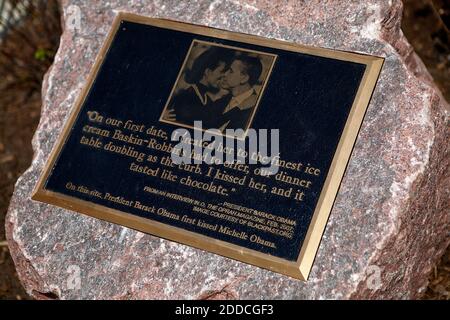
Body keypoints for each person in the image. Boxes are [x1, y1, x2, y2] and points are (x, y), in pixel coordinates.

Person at [163, 46, 231, 128]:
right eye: (222, 71)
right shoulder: (187, 95)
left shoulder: (206, 99)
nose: (224, 76)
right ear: (208, 72)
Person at [212, 55, 263, 132]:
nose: (225, 74)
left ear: (244, 78)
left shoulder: (254, 109)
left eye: (231, 71)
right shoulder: (222, 100)